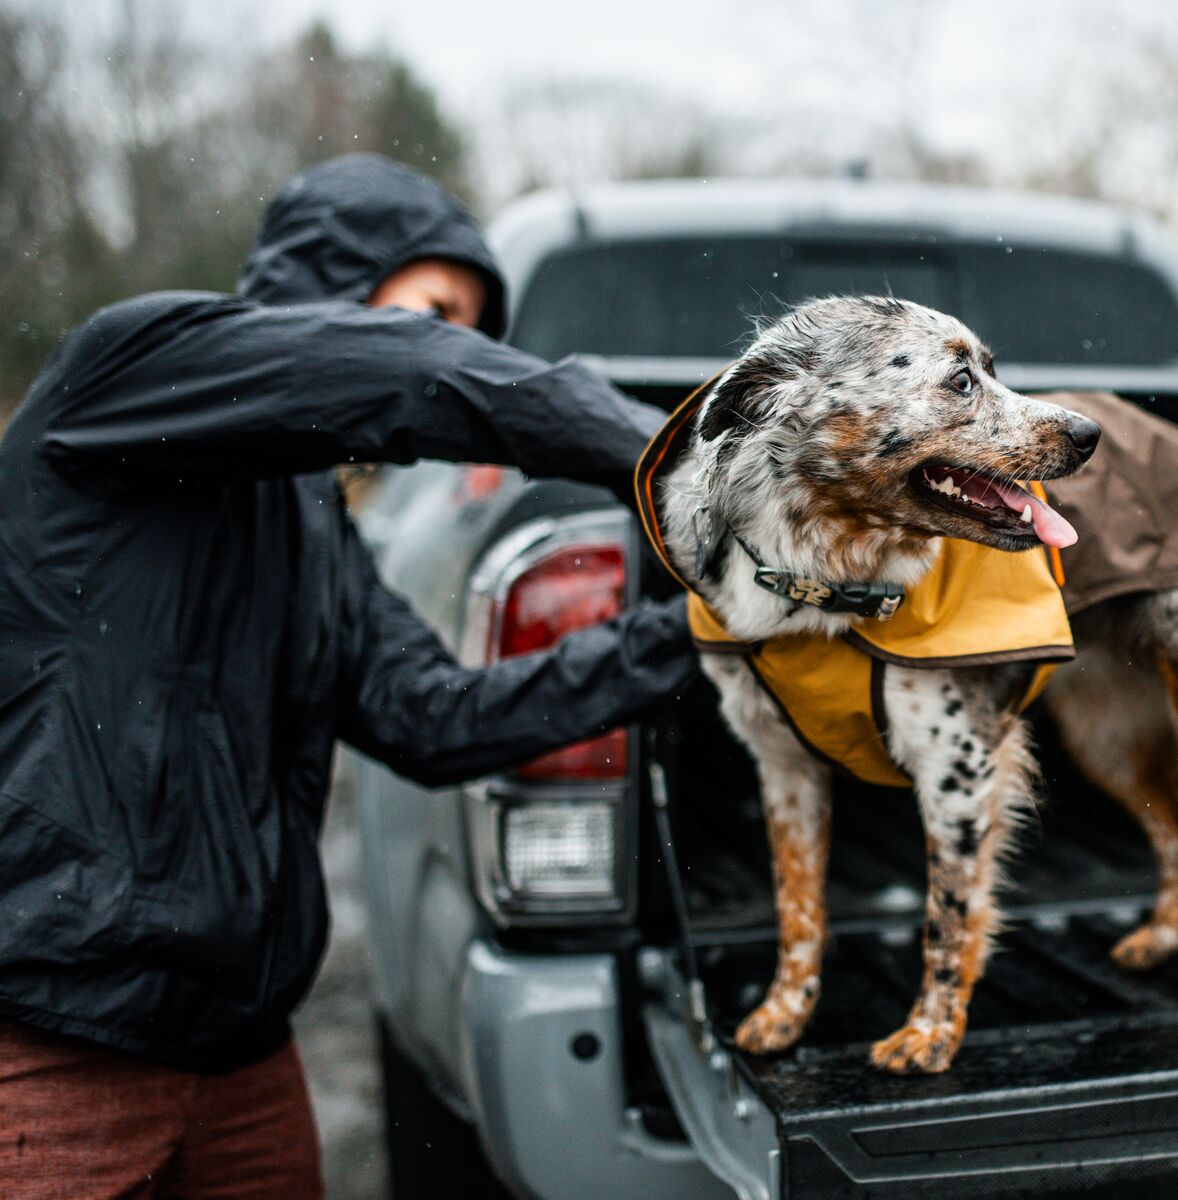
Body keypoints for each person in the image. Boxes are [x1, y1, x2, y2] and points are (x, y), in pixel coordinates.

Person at [0, 155, 698, 1197]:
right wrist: (695, 466)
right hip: (53, 1051)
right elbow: (401, 372)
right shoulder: (125, 368)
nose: (456, 344)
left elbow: (435, 718)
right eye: (435, 309)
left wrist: (697, 631)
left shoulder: (317, 526)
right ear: (331, 277)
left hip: (244, 1055)